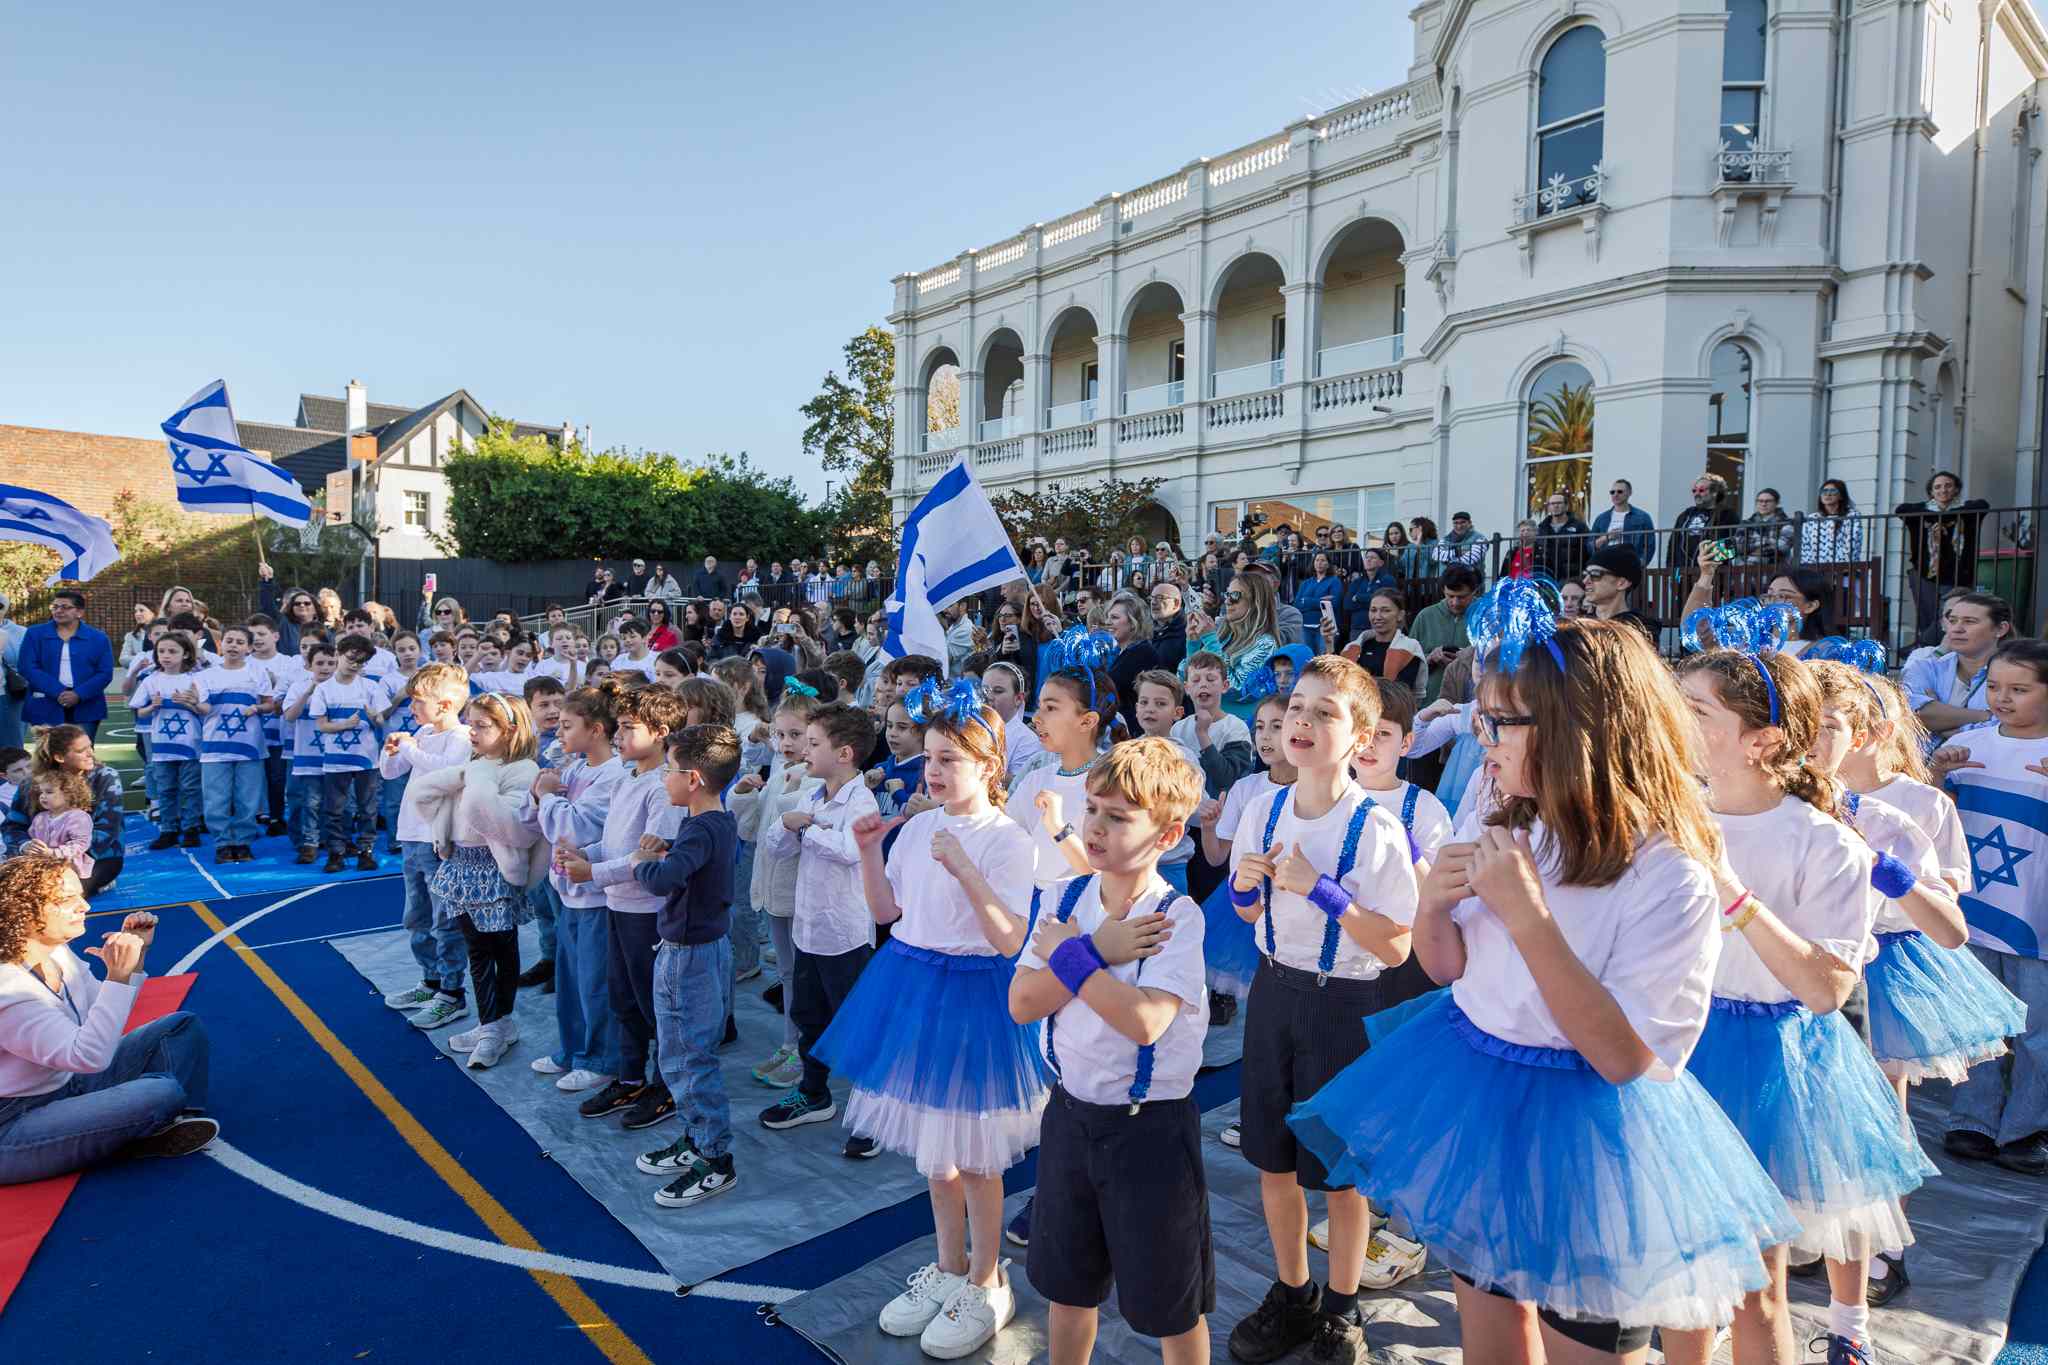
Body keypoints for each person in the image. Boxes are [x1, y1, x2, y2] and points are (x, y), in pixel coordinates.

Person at [1290, 607, 1795, 1365]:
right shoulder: (1499, 813)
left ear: (1580, 728)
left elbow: (1626, 1056)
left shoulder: (1668, 871)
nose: (1481, 743)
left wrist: (1529, 916)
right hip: (1484, 1100)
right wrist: (1433, 904)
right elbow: (1446, 966)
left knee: (1584, 1344)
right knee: (1492, 1333)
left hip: (1596, 1139)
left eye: (1501, 724)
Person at [1667, 648, 1936, 1365]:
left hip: (1766, 1064)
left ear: (1762, 740)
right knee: (1682, 1281)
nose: (1675, 720)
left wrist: (1732, 892)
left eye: (1696, 710)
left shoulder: (1825, 842)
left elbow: (1826, 987)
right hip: (1677, 1047)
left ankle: (1848, 1325)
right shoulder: (1673, 814)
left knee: (1756, 1287)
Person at [1221, 656, 1419, 1365]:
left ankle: (1341, 1307)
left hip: (1343, 1002)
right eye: (1297, 707)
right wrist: (1247, 887)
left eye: (1324, 712)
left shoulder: (1374, 827)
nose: (1302, 722)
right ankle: (1293, 1291)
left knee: (1339, 1172)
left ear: (1361, 735)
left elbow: (1397, 946)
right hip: (1275, 990)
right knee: (1272, 1161)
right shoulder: (1261, 807)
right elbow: (1248, 912)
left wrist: (1325, 892)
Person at [1009, 739, 1212, 1365]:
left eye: (1118, 817)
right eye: (1092, 809)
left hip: (1147, 1132)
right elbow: (1022, 1002)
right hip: (1070, 1119)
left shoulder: (1175, 916)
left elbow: (1144, 1021)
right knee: (1069, 1293)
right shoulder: (1063, 900)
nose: (1095, 827)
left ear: (1167, 834)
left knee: (1170, 1306)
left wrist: (1074, 958)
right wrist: (1096, 950)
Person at [0, 858, 216, 1184]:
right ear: (22, 914)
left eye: (80, 895)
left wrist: (133, 962)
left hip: (64, 1083)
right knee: (160, 1092)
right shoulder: (9, 990)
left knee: (180, 1027)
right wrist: (117, 978)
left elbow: (99, 1012)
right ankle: (137, 1133)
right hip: (12, 1124)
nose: (84, 905)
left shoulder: (54, 952)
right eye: (65, 900)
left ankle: (172, 1122)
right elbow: (90, 1055)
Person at [1930, 640, 2048, 1175]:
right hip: (1974, 913)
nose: (2002, 698)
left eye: (2019, 690)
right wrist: (1935, 774)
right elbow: (1933, 819)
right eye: (1995, 687)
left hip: (2036, 921)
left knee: (2037, 1032)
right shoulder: (1967, 743)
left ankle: (2026, 1129)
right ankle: (1971, 1120)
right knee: (1974, 1024)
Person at [562, 685, 690, 1131]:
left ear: (662, 733)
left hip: (647, 912)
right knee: (623, 997)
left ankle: (667, 1084)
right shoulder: (628, 777)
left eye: (629, 728)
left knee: (655, 1004)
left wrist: (592, 872)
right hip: (619, 906)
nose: (618, 735)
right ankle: (632, 1076)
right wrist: (586, 855)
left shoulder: (662, 789)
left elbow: (648, 858)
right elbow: (617, 843)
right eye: (618, 726)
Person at [756, 702, 881, 1150]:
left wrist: (807, 831)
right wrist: (790, 825)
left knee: (857, 1021)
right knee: (809, 1014)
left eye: (813, 743)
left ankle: (875, 1112)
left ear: (844, 753)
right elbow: (777, 846)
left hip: (844, 935)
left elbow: (851, 849)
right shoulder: (813, 794)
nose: (803, 751)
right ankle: (813, 1092)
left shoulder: (861, 800)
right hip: (809, 930)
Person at [627, 723, 743, 1206]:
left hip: (687, 957)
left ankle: (715, 1157)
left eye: (670, 771)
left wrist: (641, 861)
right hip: (707, 948)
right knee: (686, 1053)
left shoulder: (697, 829)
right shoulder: (720, 821)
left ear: (693, 778)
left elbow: (663, 880)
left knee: (685, 1058)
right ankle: (697, 1138)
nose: (663, 780)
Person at [411, 692, 545, 1070]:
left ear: (510, 729)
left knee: (500, 947)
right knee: (476, 948)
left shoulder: (522, 770)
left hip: (494, 870)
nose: (472, 732)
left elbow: (516, 828)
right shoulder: (476, 764)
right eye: (470, 724)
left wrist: (481, 777)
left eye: (482, 726)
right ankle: (492, 1023)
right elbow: (433, 796)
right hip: (462, 866)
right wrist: (442, 829)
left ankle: (498, 1024)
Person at [524, 681, 626, 1093]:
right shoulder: (578, 767)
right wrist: (539, 795)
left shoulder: (614, 774)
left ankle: (601, 1057)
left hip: (596, 895)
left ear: (597, 729)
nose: (559, 732)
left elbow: (574, 826)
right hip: (568, 890)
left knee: (595, 980)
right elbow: (537, 817)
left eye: (567, 725)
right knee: (569, 977)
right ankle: (572, 1048)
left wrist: (547, 797)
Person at [376, 663, 477, 1029]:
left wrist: (410, 748)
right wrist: (391, 751)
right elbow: (389, 773)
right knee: (416, 916)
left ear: (446, 705)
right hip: (411, 837)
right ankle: (431, 981)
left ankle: (453, 993)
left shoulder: (462, 737)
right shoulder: (421, 732)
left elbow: (447, 774)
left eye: (418, 701)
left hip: (439, 840)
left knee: (445, 918)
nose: (412, 709)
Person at [180, 622, 274, 863]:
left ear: (249, 648)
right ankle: (222, 843)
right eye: (229, 641)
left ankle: (243, 842)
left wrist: (257, 708)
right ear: (222, 644)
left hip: (250, 747)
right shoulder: (205, 676)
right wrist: (192, 703)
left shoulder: (258, 674)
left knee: (248, 798)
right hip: (215, 747)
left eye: (240, 642)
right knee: (215, 798)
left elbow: (269, 704)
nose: (234, 646)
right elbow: (205, 709)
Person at [3, 727, 124, 897]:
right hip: (39, 859)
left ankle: (97, 882)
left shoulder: (105, 776)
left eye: (90, 746)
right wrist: (25, 846)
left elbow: (105, 832)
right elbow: (13, 826)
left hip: (91, 859)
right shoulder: (32, 783)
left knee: (56, 894)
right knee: (13, 893)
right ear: (59, 757)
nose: (91, 753)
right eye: (82, 750)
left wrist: (57, 857)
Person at [1901, 591, 2014, 742]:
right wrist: (1986, 715)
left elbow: (2009, 726)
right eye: (1953, 621)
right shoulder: (1925, 668)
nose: (1957, 629)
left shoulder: (2018, 674)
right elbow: (1913, 715)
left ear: (2001, 629)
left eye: (1969, 621)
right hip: (1929, 764)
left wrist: (1940, 716)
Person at [313, 636, 385, 873]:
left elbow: (380, 720)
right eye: (351, 658)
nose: (354, 664)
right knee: (335, 809)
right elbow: (322, 725)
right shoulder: (323, 689)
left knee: (368, 808)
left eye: (361, 661)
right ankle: (336, 853)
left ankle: (366, 851)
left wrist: (375, 717)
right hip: (335, 760)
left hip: (366, 759)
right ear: (339, 654)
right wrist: (345, 724)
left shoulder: (371, 688)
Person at [1896, 470, 1991, 647]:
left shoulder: (1968, 513)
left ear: (1956, 489)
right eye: (1937, 487)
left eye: (1948, 485)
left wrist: (1945, 515)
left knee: (1949, 615)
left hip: (1958, 574)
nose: (1943, 490)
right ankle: (1928, 652)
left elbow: (1983, 504)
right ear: (1931, 492)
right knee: (1927, 616)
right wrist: (1938, 515)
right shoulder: (1921, 514)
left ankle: (1925, 646)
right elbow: (1901, 509)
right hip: (1925, 574)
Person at [130, 630, 204, 850]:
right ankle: (168, 829)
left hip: (190, 743)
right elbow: (139, 711)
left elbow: (204, 710)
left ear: (186, 654)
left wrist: (189, 704)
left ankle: (191, 828)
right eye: (161, 651)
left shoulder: (195, 679)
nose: (166, 655)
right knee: (166, 788)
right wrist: (152, 706)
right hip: (162, 744)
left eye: (173, 651)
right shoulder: (151, 680)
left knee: (191, 787)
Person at [1181, 574, 1279, 724]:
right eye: (1227, 594)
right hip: (1209, 724)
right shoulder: (1224, 637)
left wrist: (1210, 640)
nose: (1227, 600)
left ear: (1255, 601)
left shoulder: (1265, 643)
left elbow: (1237, 689)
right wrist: (1193, 643)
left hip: (1242, 731)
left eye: (1235, 595)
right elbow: (1185, 678)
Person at [20, 589, 113, 740]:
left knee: (81, 754)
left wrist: (78, 694)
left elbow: (104, 673)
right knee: (47, 755)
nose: (58, 611)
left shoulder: (98, 638)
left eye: (65, 607)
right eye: (55, 607)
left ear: (79, 612)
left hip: (86, 706)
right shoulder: (34, 634)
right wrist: (58, 692)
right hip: (45, 704)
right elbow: (27, 667)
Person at [1407, 566, 1478, 708]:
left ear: (1474, 592)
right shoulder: (1425, 616)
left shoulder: (1486, 617)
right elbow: (1408, 662)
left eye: (1462, 597)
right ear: (1443, 591)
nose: (1455, 602)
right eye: (1450, 596)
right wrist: (1430, 658)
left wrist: (1468, 657)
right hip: (1430, 702)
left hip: (1471, 705)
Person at [1103, 590, 1159, 738]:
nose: (1108, 622)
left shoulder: (1140, 653)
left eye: (1114, 617)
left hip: (1136, 735)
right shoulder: (1123, 652)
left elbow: (1107, 688)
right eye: (1108, 617)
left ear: (1133, 623)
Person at [1579, 544, 1661, 644]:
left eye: (1595, 574)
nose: (1585, 580)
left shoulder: (1641, 630)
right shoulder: (1581, 624)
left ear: (1622, 583)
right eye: (1585, 574)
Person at [1665, 472, 1739, 579]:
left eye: (1701, 490)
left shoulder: (1727, 515)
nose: (1696, 493)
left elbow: (1734, 544)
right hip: (1682, 574)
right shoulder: (1686, 514)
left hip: (1712, 574)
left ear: (1715, 492)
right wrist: (1671, 570)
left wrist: (1709, 559)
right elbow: (1673, 544)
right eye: (1694, 490)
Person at [1760, 567, 1832, 657]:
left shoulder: (1823, 651)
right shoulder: (1751, 642)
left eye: (1783, 596)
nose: (1772, 602)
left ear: (1810, 606)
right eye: (1769, 595)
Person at [1801, 478, 1865, 565]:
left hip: (1844, 571)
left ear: (1841, 496)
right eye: (1824, 491)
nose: (1828, 494)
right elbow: (1806, 547)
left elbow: (1852, 545)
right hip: (1816, 572)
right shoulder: (1812, 518)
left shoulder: (1852, 516)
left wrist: (1838, 567)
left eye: (1833, 491)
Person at [1590, 478, 1657, 560]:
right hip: (1606, 563)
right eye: (1612, 492)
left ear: (1629, 493)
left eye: (1620, 491)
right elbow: (1590, 545)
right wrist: (1606, 537)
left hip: (1629, 563)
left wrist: (1640, 564)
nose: (1615, 494)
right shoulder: (1602, 518)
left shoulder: (1643, 517)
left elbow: (1650, 545)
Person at [1533, 491, 1591, 581]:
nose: (1555, 506)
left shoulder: (1579, 526)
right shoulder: (1542, 528)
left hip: (1573, 578)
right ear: (1548, 507)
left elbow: (1588, 550)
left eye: (1559, 503)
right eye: (1552, 504)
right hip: (1548, 578)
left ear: (1566, 506)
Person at [1737, 487, 1796, 565]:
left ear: (1777, 503)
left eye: (1768, 501)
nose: (1763, 504)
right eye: (1760, 501)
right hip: (1746, 567)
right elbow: (1739, 545)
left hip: (1776, 569)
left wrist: (1751, 547)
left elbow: (1782, 547)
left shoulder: (1787, 522)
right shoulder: (1746, 523)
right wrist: (1767, 542)